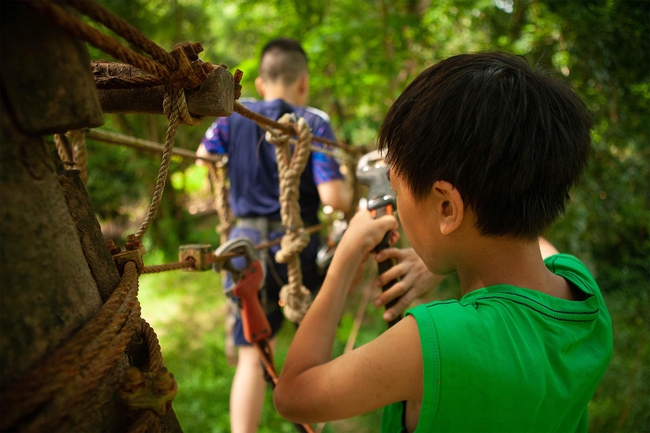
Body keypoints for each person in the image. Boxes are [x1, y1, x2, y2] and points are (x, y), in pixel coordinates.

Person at [273, 52, 613, 432]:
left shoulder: (434, 340)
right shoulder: (584, 295)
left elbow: (292, 396)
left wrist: (346, 254)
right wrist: (450, 251)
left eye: (398, 191)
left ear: (448, 207)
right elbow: (534, 245)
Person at [196, 37, 351, 433]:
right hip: (297, 246)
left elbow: (204, 157)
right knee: (310, 353)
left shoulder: (233, 117)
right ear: (303, 82)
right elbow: (333, 195)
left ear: (261, 84)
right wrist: (347, 194)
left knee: (251, 355)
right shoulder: (312, 122)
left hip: (246, 250)